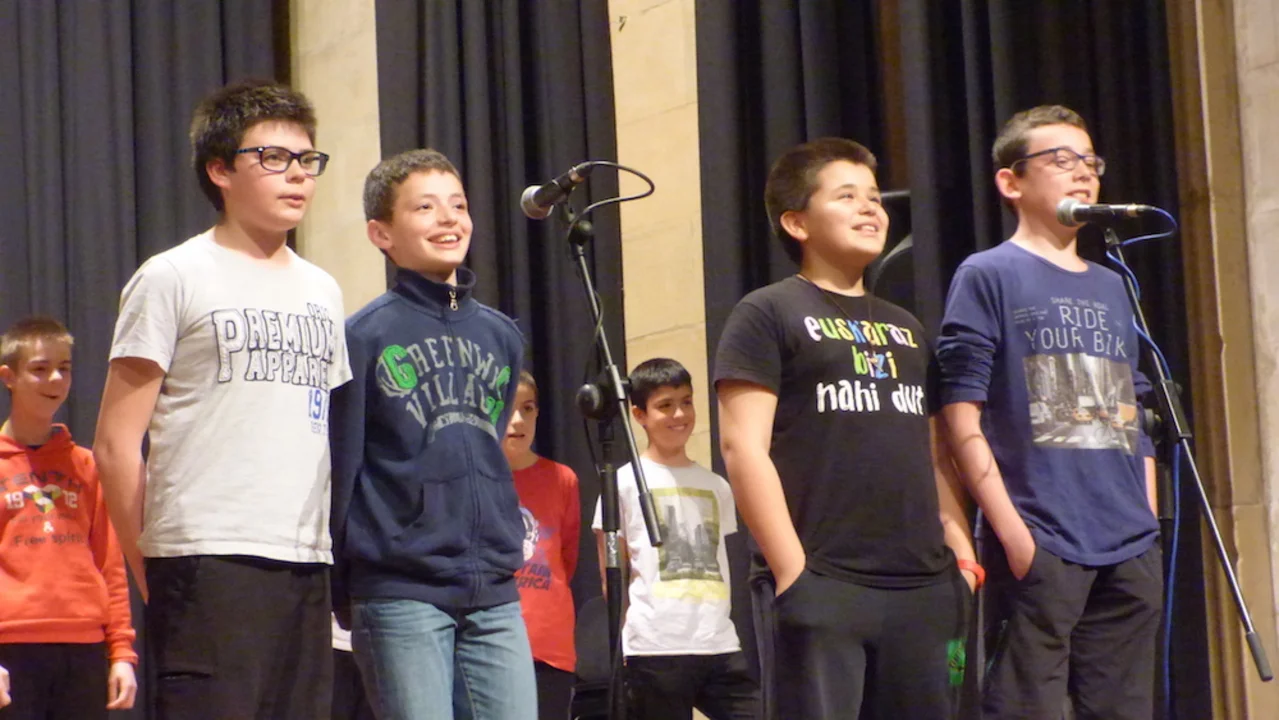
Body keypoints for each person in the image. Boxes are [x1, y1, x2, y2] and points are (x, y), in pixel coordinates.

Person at [93, 80, 349, 719]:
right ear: (219, 170)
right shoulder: (173, 276)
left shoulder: (323, 290)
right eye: (274, 157)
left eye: (307, 159)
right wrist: (149, 563)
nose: (298, 175)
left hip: (304, 559)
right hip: (205, 557)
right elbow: (116, 443)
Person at [713, 137, 979, 719]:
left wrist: (962, 557)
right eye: (847, 196)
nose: (870, 208)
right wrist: (792, 571)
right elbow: (742, 448)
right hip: (825, 582)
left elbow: (935, 456)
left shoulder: (907, 327)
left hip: (927, 588)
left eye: (875, 197)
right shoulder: (768, 312)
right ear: (796, 222)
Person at [936, 105, 1162, 719]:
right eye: (1061, 160)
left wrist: (1147, 520)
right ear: (1011, 182)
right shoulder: (988, 274)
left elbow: (1135, 410)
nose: (1083, 172)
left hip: (1128, 542)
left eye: (1090, 161)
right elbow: (960, 415)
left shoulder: (1113, 285)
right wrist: (1014, 535)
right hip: (1042, 537)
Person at [330, 148, 533, 720]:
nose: (449, 219)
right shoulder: (364, 337)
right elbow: (342, 466)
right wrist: (343, 585)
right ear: (381, 233)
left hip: (493, 589)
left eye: (458, 205)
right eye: (425, 207)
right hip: (400, 589)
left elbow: (490, 441)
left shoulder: (501, 336)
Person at [591, 358, 758, 720]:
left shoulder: (717, 485)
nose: (679, 414)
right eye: (665, 405)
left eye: (686, 402)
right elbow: (612, 577)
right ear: (639, 414)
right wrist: (626, 642)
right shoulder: (622, 483)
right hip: (655, 647)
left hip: (718, 642)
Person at [0, 316, 138, 718]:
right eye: (40, 368)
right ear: (9, 377)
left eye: (64, 367)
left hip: (84, 647)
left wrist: (122, 652)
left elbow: (110, 563)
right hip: (12, 647)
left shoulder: (86, 466)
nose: (55, 379)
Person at [503, 369, 582, 720]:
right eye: (507, 407)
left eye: (528, 408)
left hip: (549, 647)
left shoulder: (563, 479)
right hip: (491, 645)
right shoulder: (473, 478)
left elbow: (566, 558)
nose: (518, 420)